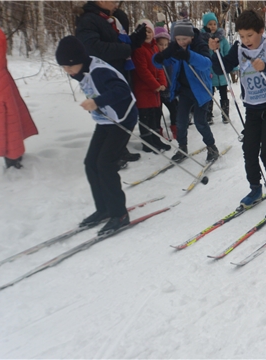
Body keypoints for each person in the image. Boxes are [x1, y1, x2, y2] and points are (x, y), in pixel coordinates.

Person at [209, 9, 266, 213]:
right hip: (252, 108)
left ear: (261, 31)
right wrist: (214, 52)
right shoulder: (238, 48)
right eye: (242, 36)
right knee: (249, 150)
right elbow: (220, 69)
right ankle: (255, 189)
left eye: (250, 35)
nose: (246, 40)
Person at [56, 36, 138, 235]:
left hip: (121, 119)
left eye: (69, 66)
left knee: (105, 164)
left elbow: (122, 90)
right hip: (105, 120)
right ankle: (104, 209)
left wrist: (98, 101)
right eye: (64, 67)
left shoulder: (99, 71)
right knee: (91, 163)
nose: (67, 71)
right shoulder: (82, 68)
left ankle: (119, 214)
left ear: (80, 59)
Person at [75, 0, 147, 165]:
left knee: (122, 111)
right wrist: (126, 49)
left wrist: (135, 39)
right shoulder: (88, 20)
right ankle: (110, 156)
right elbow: (93, 49)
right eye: (113, 1)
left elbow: (118, 41)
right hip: (103, 76)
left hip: (117, 72)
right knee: (110, 114)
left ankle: (119, 150)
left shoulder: (108, 18)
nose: (116, 4)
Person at [153, 20, 219, 163]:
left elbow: (207, 63)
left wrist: (189, 56)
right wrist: (160, 57)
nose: (181, 42)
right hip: (184, 91)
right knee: (181, 121)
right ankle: (182, 147)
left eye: (184, 39)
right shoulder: (174, 48)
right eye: (178, 39)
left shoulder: (199, 44)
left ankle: (212, 147)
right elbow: (160, 63)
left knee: (200, 122)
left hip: (201, 91)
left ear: (191, 37)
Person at [0, 24, 38, 169]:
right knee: (7, 119)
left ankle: (14, 161)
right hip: (1, 81)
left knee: (6, 120)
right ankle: (13, 158)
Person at [132, 19, 169, 153]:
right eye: (144, 32)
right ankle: (147, 143)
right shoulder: (139, 49)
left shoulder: (154, 47)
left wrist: (163, 83)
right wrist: (155, 85)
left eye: (149, 32)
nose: (147, 35)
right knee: (146, 116)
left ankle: (156, 139)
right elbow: (142, 71)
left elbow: (159, 67)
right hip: (144, 89)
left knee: (155, 115)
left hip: (155, 90)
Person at [201, 12, 232, 125]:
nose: (212, 26)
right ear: (205, 25)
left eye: (214, 24)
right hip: (209, 71)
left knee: (224, 93)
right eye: (210, 24)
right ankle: (208, 115)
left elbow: (228, 52)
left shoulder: (222, 38)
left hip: (221, 71)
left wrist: (232, 66)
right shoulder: (203, 39)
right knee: (210, 93)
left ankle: (225, 114)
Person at [154, 27, 178, 140]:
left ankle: (175, 128)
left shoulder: (170, 57)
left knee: (174, 109)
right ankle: (158, 130)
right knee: (157, 112)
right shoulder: (155, 57)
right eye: (160, 44)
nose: (163, 47)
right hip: (158, 89)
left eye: (165, 45)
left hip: (169, 90)